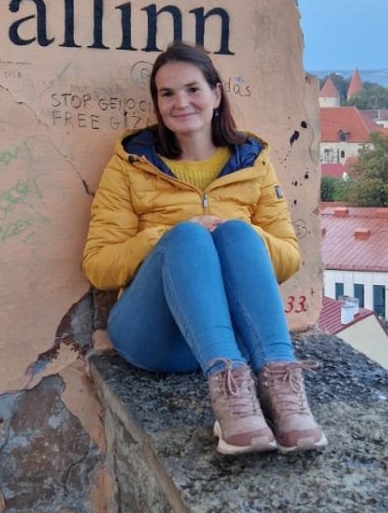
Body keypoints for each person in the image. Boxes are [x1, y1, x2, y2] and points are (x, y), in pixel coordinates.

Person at [82, 41, 326, 456]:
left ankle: (284, 395)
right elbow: (99, 266)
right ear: (157, 104)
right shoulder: (131, 164)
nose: (181, 103)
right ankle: (231, 397)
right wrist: (168, 234)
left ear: (216, 93)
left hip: (234, 334)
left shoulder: (253, 162)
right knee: (188, 236)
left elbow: (287, 259)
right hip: (151, 336)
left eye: (193, 89)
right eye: (167, 93)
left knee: (239, 234)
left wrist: (236, 229)